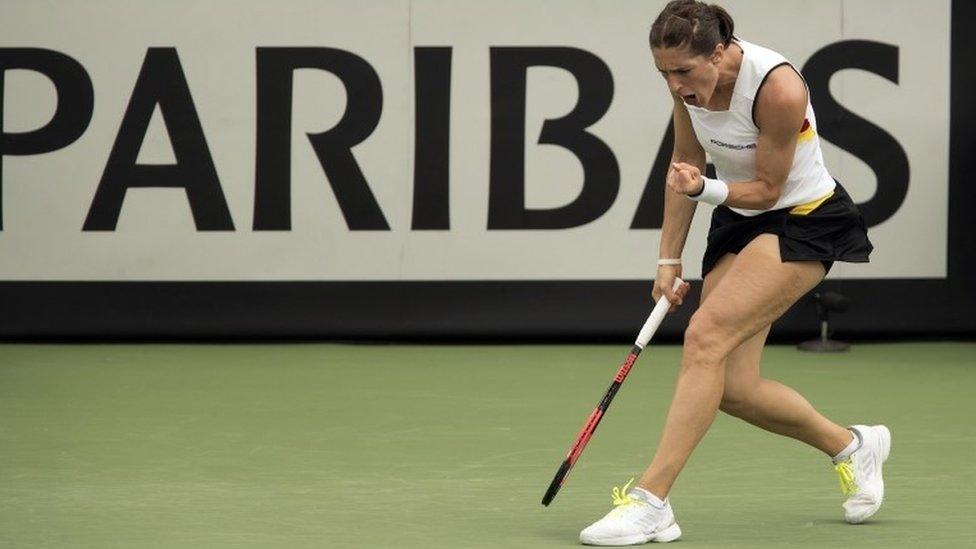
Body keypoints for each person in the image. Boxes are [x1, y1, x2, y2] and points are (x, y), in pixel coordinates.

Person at [579, 1, 887, 545]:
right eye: (664, 73)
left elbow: (768, 188)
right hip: (740, 218)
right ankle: (853, 446)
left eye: (683, 71)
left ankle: (652, 501)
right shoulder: (686, 87)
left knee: (705, 338)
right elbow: (684, 160)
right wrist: (667, 261)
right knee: (735, 388)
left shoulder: (778, 88)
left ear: (718, 53)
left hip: (803, 220)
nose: (674, 85)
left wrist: (705, 190)